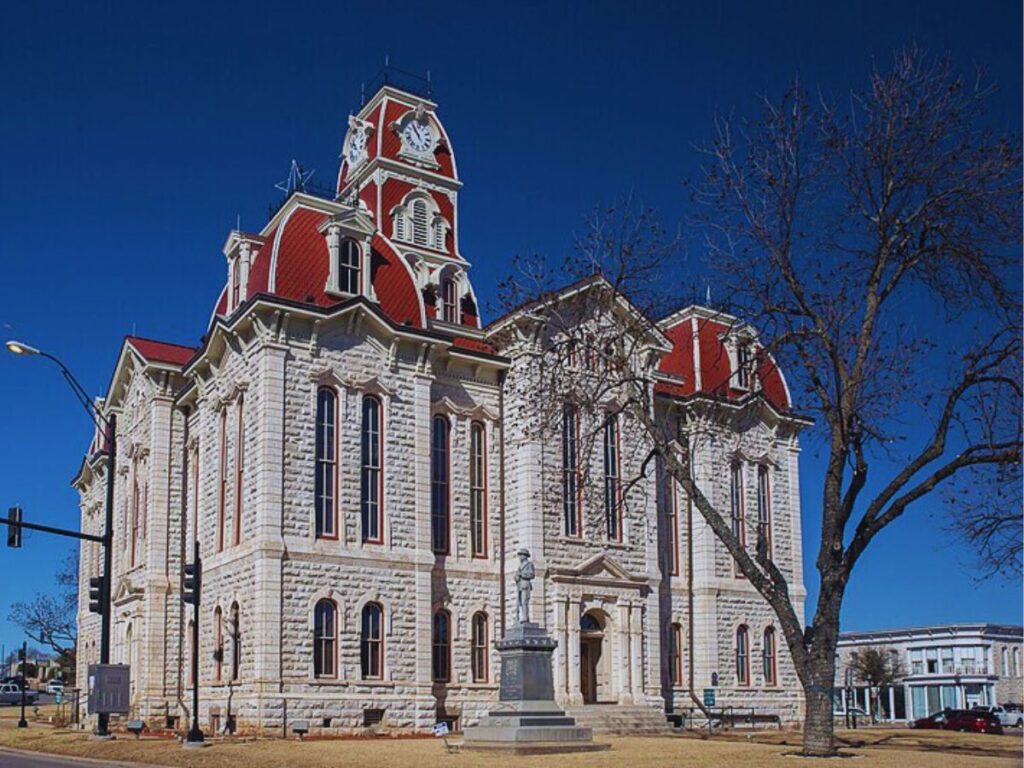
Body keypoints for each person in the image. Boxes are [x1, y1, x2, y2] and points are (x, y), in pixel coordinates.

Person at [514, 548, 535, 624]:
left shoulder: (529, 564)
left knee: (524, 602)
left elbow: (532, 575)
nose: (520, 557)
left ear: (525, 556)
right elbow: (517, 576)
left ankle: (525, 617)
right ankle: (521, 617)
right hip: (519, 585)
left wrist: (522, 574)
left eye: (521, 555)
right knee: (519, 602)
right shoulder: (520, 566)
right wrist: (516, 577)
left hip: (525, 584)